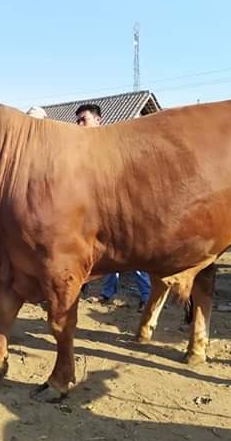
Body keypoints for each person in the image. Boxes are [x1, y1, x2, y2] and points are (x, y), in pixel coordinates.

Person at [75, 104, 152, 310]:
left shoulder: (113, 142)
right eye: (78, 121)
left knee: (132, 256)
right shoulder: (82, 149)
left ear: (98, 120)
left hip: (122, 209)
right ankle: (107, 294)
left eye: (84, 120)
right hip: (98, 210)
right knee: (108, 255)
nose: (80, 125)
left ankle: (146, 297)